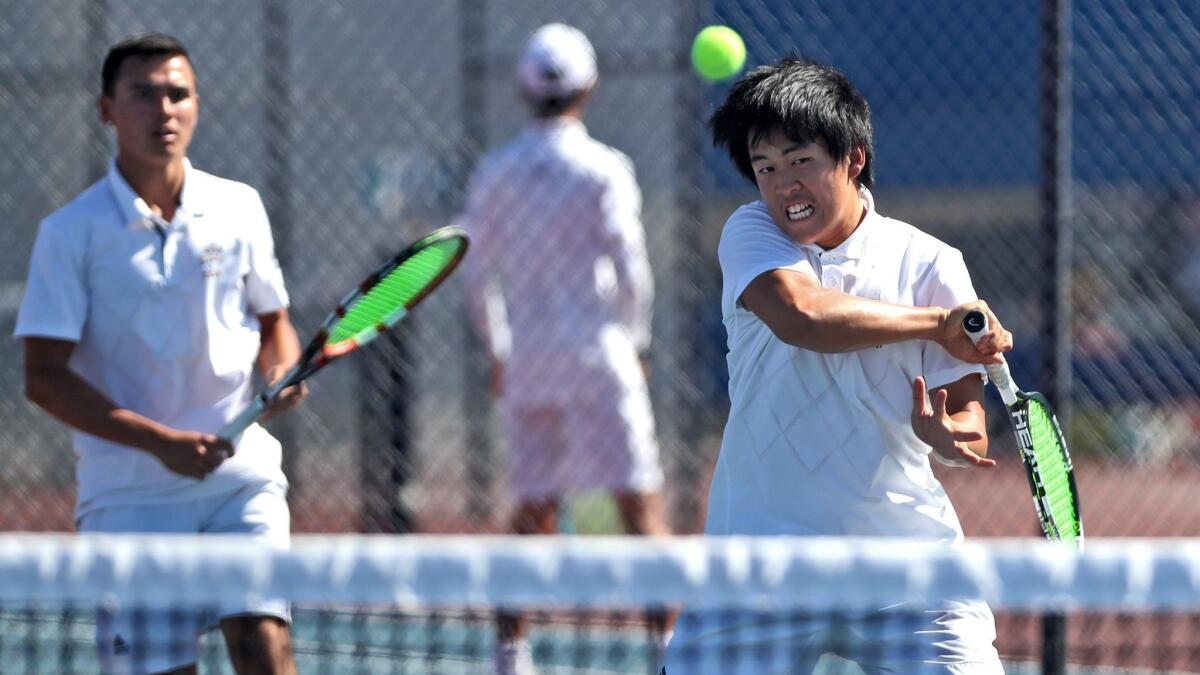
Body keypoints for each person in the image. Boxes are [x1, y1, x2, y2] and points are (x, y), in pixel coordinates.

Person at [662, 57, 1014, 673]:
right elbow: (804, 318)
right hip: (759, 566)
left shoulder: (932, 264)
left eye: (800, 162)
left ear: (852, 158)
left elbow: (970, 426)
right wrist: (936, 323)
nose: (782, 186)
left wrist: (949, 437)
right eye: (765, 169)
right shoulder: (750, 233)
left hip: (907, 570)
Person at [15, 33, 304, 675]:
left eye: (177, 94)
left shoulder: (240, 207)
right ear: (107, 111)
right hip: (129, 499)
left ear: (197, 105)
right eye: (142, 95)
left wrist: (280, 371)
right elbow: (43, 378)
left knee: (265, 646)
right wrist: (158, 442)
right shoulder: (68, 234)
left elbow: (274, 321)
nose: (162, 110)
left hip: (240, 483)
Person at [458, 22, 671, 675]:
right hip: (600, 354)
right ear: (590, 86)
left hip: (532, 360)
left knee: (532, 507)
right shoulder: (607, 168)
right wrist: (636, 341)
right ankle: (669, 651)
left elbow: (472, 272)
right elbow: (631, 267)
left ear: (525, 90)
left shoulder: (495, 171)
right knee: (640, 505)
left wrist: (499, 349)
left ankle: (509, 655)